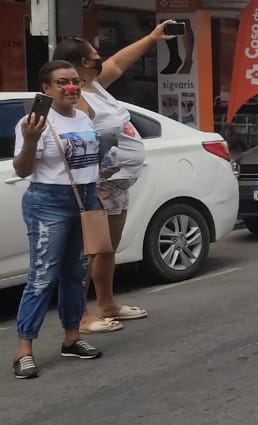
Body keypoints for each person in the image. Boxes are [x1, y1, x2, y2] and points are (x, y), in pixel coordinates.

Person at [53, 22, 176, 334]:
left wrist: (151, 38)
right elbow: (78, 134)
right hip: (98, 183)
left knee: (108, 247)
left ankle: (107, 303)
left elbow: (120, 62)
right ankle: (80, 316)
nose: (101, 58)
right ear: (83, 64)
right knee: (91, 249)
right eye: (95, 55)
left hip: (118, 181)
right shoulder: (77, 95)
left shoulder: (96, 86)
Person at [13, 61, 105, 378]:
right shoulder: (34, 122)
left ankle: (72, 337)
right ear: (46, 89)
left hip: (85, 199)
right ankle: (24, 350)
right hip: (48, 202)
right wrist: (29, 140)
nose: (72, 87)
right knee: (42, 276)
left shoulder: (83, 117)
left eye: (76, 81)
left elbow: (90, 159)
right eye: (63, 82)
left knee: (76, 274)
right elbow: (23, 170)